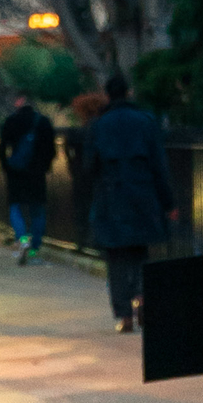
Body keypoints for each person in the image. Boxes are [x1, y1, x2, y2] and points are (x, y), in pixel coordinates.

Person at [81, 71, 174, 333]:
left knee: (116, 257)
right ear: (128, 93)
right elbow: (159, 165)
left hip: (111, 197)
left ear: (108, 95)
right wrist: (168, 202)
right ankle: (143, 295)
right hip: (143, 195)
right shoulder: (146, 121)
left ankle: (124, 315)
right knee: (140, 251)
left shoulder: (98, 126)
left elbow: (89, 166)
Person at [0, 90, 57, 263]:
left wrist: (7, 167)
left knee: (16, 207)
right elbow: (51, 150)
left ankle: (22, 240)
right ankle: (35, 248)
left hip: (16, 173)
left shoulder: (11, 121)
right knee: (37, 210)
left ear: (19, 101)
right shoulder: (43, 122)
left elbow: (2, 148)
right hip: (37, 173)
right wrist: (45, 166)